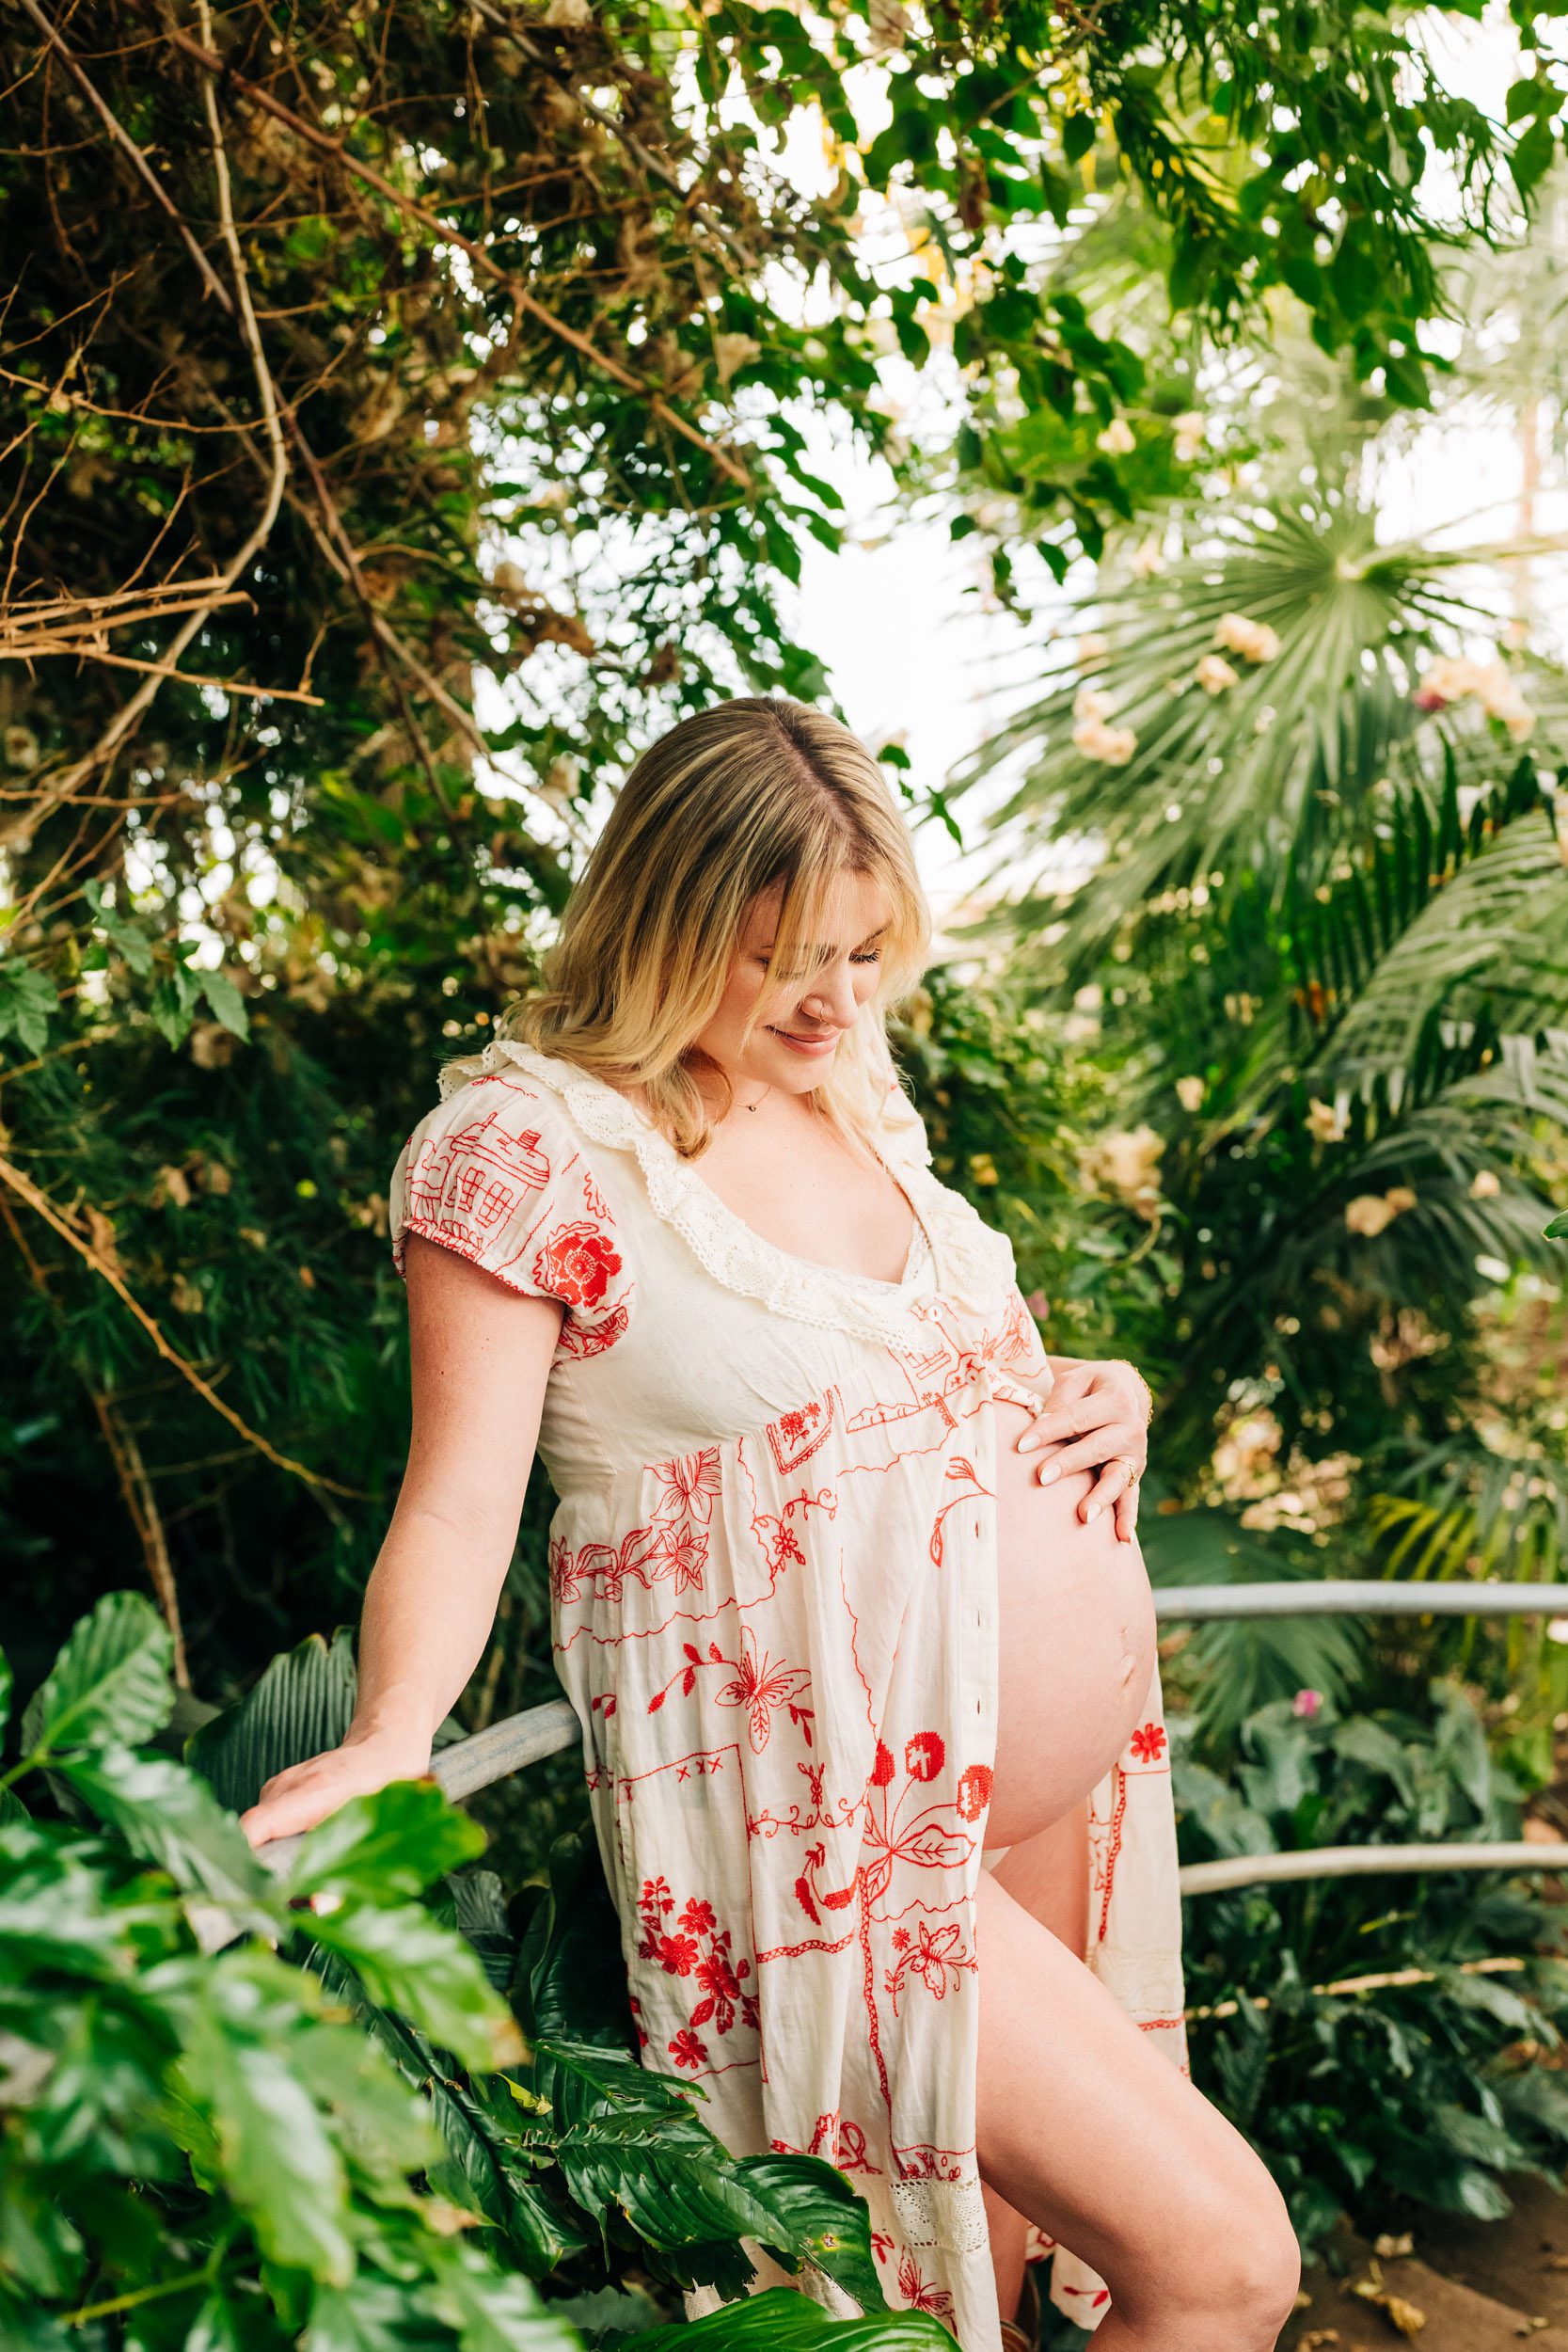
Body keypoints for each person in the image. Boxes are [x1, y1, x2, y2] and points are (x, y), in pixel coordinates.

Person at [239, 695, 1300, 2352]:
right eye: (790, 956)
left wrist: (1104, 1395)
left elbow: (946, 1377)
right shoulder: (525, 1151)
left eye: (868, 952)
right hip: (833, 1835)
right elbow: (459, 1501)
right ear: (666, 923)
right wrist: (391, 1735)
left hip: (1010, 1812)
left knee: (986, 2307)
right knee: (1228, 2268)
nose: (839, 998)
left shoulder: (844, 1089)